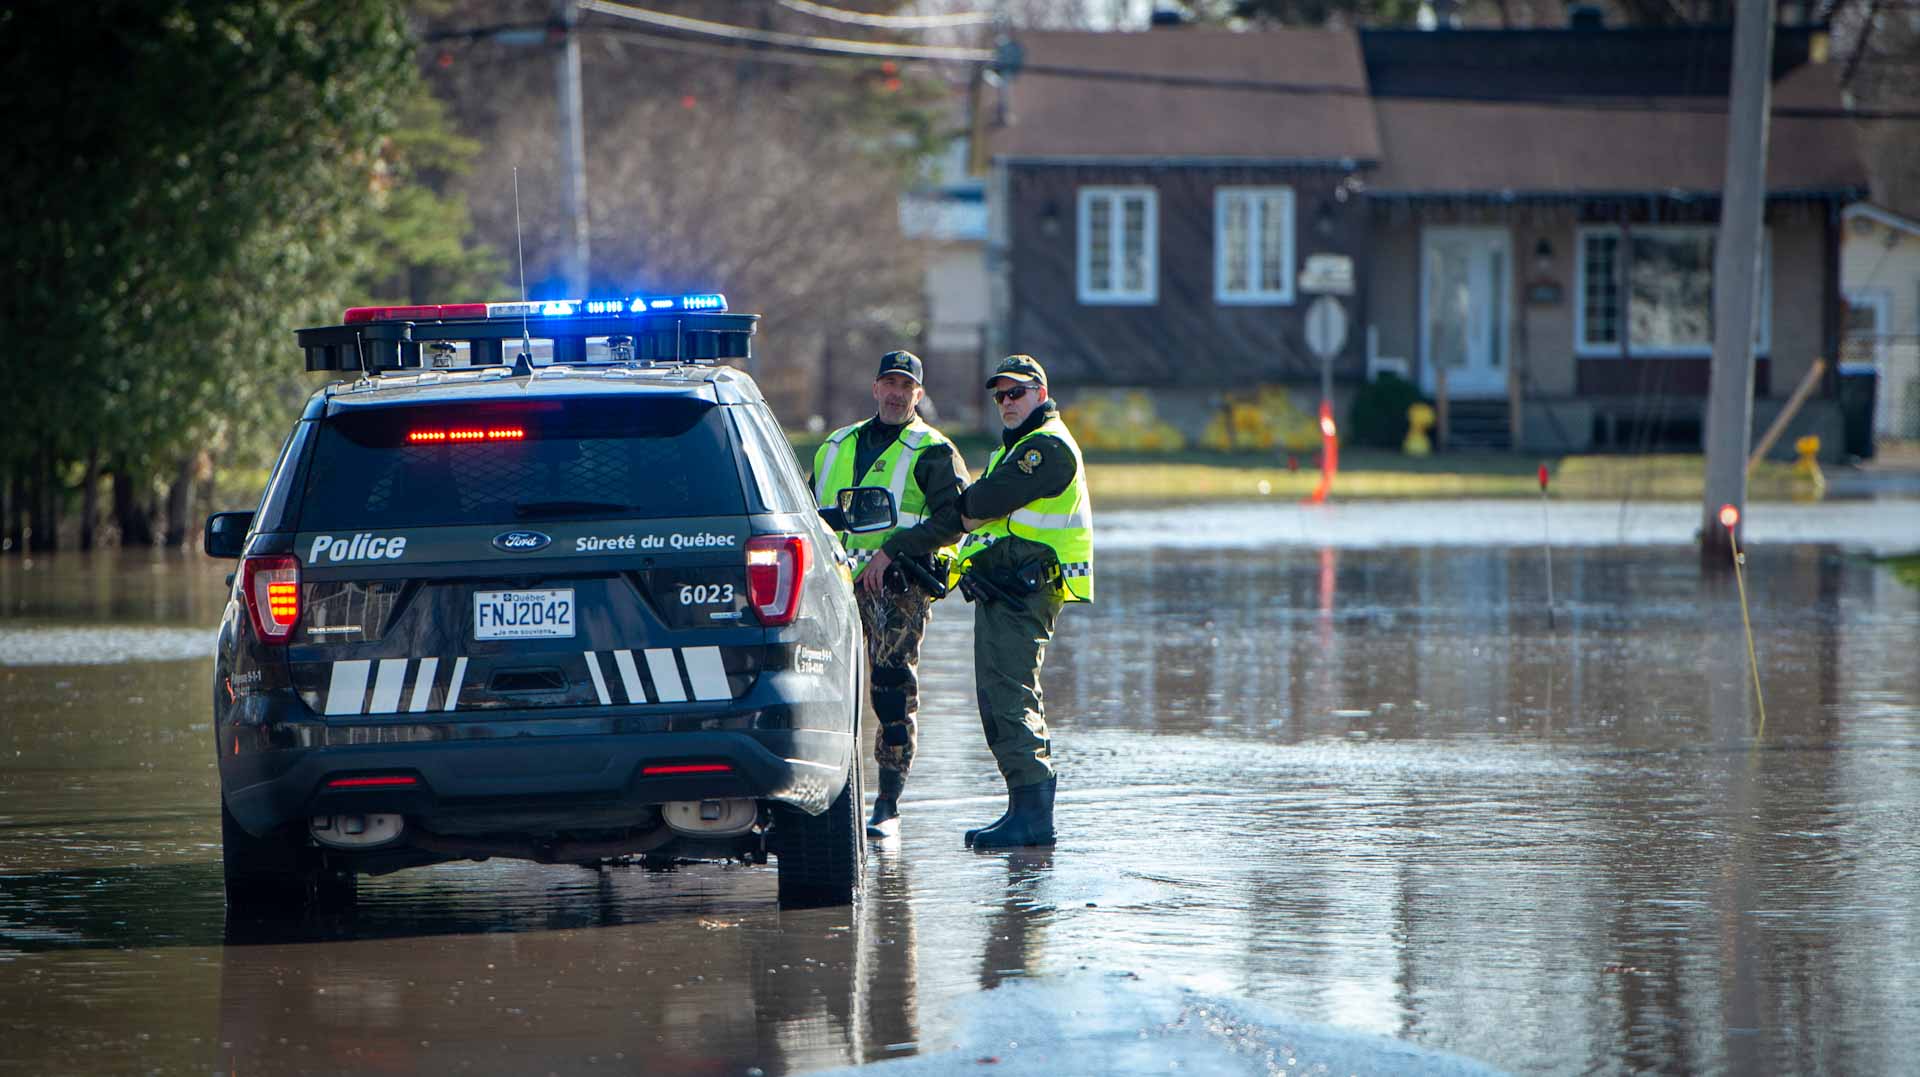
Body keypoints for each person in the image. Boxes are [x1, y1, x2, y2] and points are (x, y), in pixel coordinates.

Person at [812, 350, 969, 838]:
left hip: (898, 584)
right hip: (833, 584)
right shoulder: (835, 444)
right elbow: (809, 512)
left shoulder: (933, 450)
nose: (898, 394)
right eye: (890, 383)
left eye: (908, 386)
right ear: (875, 387)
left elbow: (955, 520)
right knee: (822, 688)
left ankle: (888, 803)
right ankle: (825, 796)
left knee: (891, 688)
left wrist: (891, 551)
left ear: (918, 395)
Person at [949, 354, 1093, 849]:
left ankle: (1033, 819)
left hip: (1025, 591)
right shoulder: (1014, 448)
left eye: (1017, 393)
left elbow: (983, 503)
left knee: (1011, 696)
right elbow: (985, 511)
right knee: (998, 697)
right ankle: (1020, 808)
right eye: (1000, 396)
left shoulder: (1046, 448)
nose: (1007, 403)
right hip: (1003, 590)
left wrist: (971, 506)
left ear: (1040, 392)